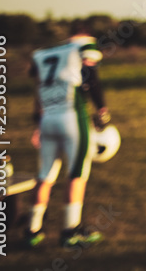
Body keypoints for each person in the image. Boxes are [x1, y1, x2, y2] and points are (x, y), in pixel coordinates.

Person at [25, 27, 110, 248]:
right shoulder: (82, 48)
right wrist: (102, 109)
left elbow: (38, 86)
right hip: (72, 116)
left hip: (47, 119)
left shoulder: (42, 54)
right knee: (77, 173)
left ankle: (32, 230)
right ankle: (70, 231)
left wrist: (38, 123)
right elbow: (92, 77)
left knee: (45, 175)